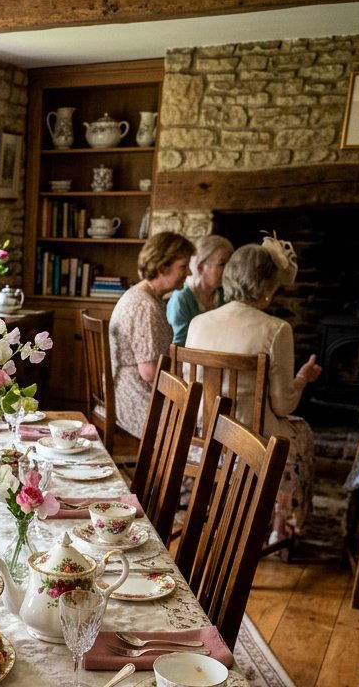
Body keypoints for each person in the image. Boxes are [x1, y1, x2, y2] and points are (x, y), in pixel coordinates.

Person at [186, 238, 322, 544]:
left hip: (204, 438)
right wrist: (301, 378)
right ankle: (283, 525)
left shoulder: (198, 323)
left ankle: (249, 517)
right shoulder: (277, 329)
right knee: (303, 434)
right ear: (269, 284)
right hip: (252, 441)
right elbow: (284, 404)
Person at [108, 231, 194, 438]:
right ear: (163, 267)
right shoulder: (144, 306)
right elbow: (149, 372)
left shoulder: (144, 297)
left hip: (130, 390)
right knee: (201, 423)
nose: (189, 273)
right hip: (135, 399)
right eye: (183, 266)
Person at [166, 234, 233, 345]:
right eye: (222, 264)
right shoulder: (181, 299)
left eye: (230, 264)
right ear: (200, 268)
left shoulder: (224, 295)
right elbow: (178, 347)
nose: (229, 270)